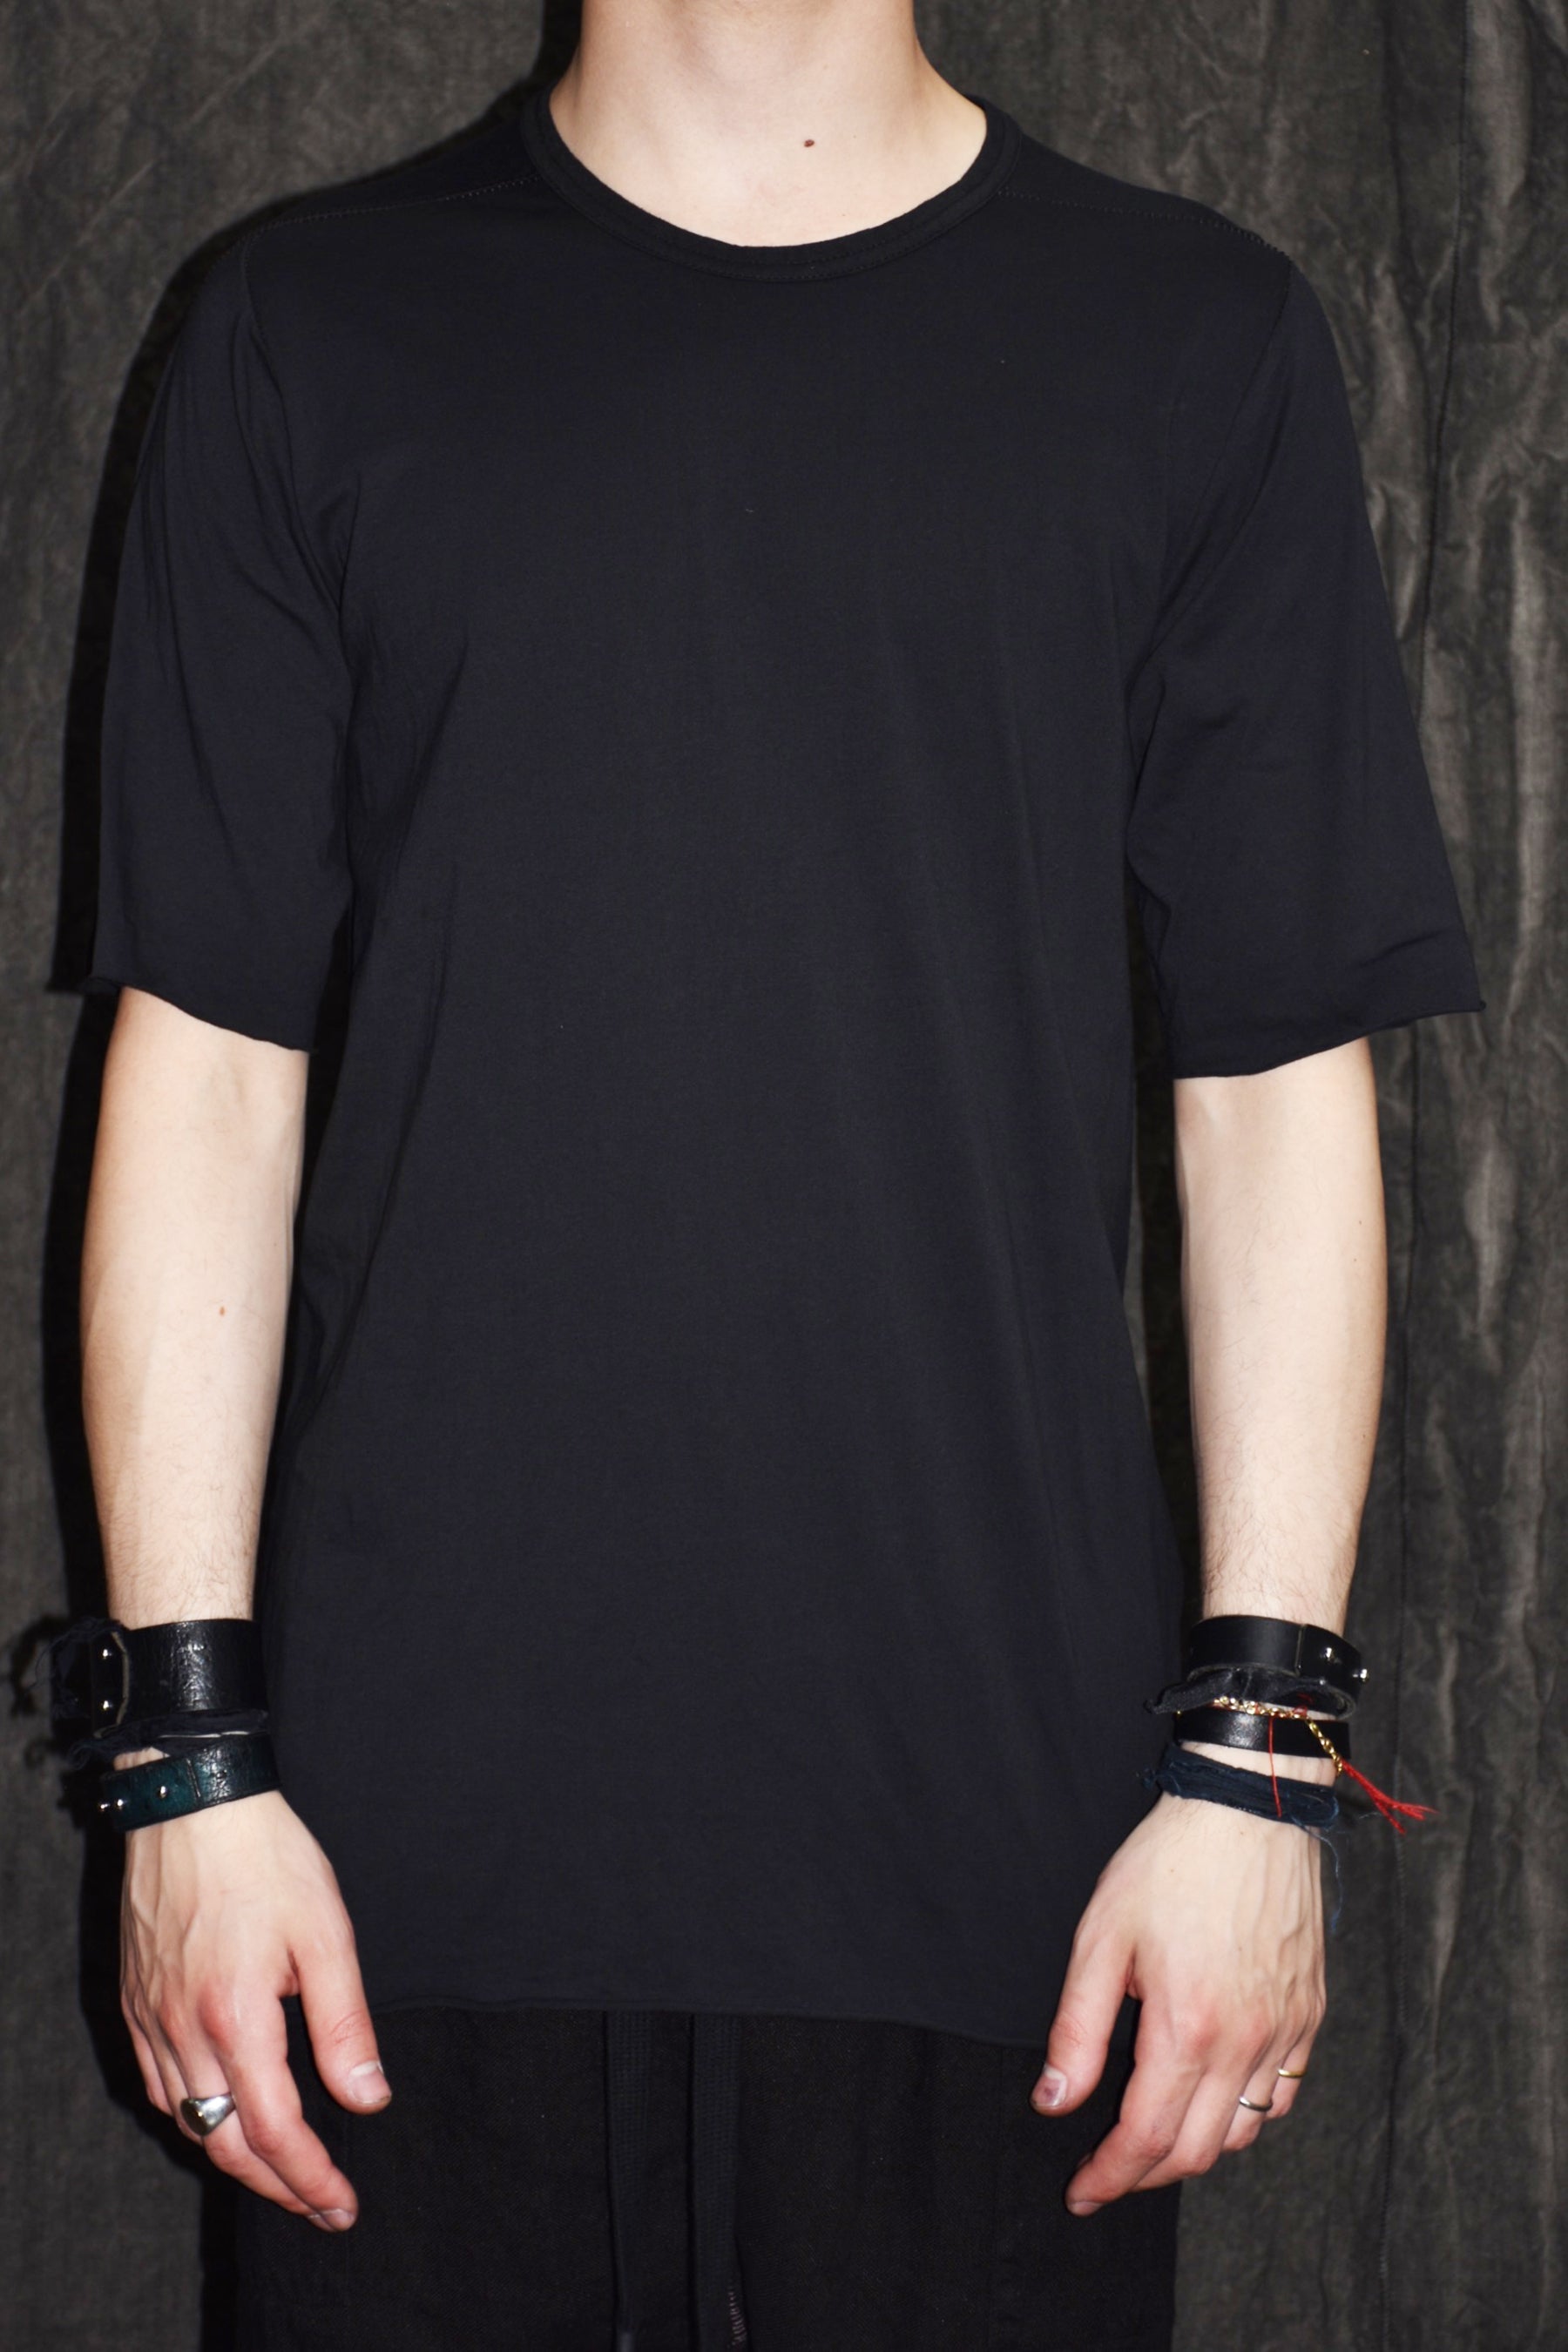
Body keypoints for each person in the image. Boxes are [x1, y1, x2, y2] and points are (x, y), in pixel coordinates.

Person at [65, 0, 1485, 2344]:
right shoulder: (304, 331)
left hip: (1018, 1888)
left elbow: (1270, 1083)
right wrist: (183, 1766)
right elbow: (208, 1067)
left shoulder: (1190, 341)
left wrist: (1260, 1761)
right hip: (385, 1889)